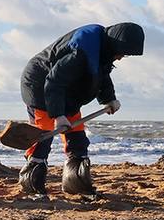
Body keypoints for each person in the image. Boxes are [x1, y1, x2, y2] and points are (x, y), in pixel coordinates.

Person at [17, 23, 144, 199]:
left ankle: (75, 185)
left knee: (77, 138)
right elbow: (54, 82)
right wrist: (58, 115)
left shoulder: (103, 51)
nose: (121, 58)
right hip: (40, 86)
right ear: (115, 44)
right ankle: (31, 185)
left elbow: (102, 74)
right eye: (122, 53)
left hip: (67, 93)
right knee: (43, 136)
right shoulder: (80, 51)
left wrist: (108, 99)